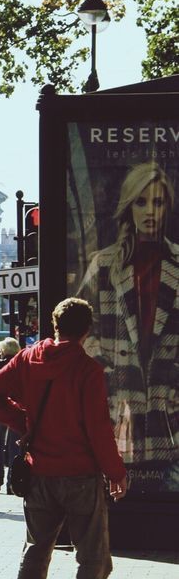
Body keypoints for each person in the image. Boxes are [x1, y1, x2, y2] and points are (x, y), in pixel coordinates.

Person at [0, 297, 127, 579]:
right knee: (91, 560)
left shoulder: (29, 358)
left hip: (40, 474)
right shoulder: (87, 369)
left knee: (34, 557)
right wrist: (116, 471)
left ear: (54, 324)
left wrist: (25, 422)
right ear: (87, 330)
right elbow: (97, 428)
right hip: (79, 475)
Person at [77, 162, 178, 480]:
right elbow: (78, 329)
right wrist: (105, 370)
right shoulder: (105, 264)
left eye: (158, 202)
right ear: (129, 206)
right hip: (119, 413)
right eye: (141, 201)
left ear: (168, 208)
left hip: (169, 415)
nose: (150, 211)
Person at [0, 338, 21, 491]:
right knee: (14, 445)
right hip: (15, 408)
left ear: (4, 350)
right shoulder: (20, 364)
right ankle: (11, 482)